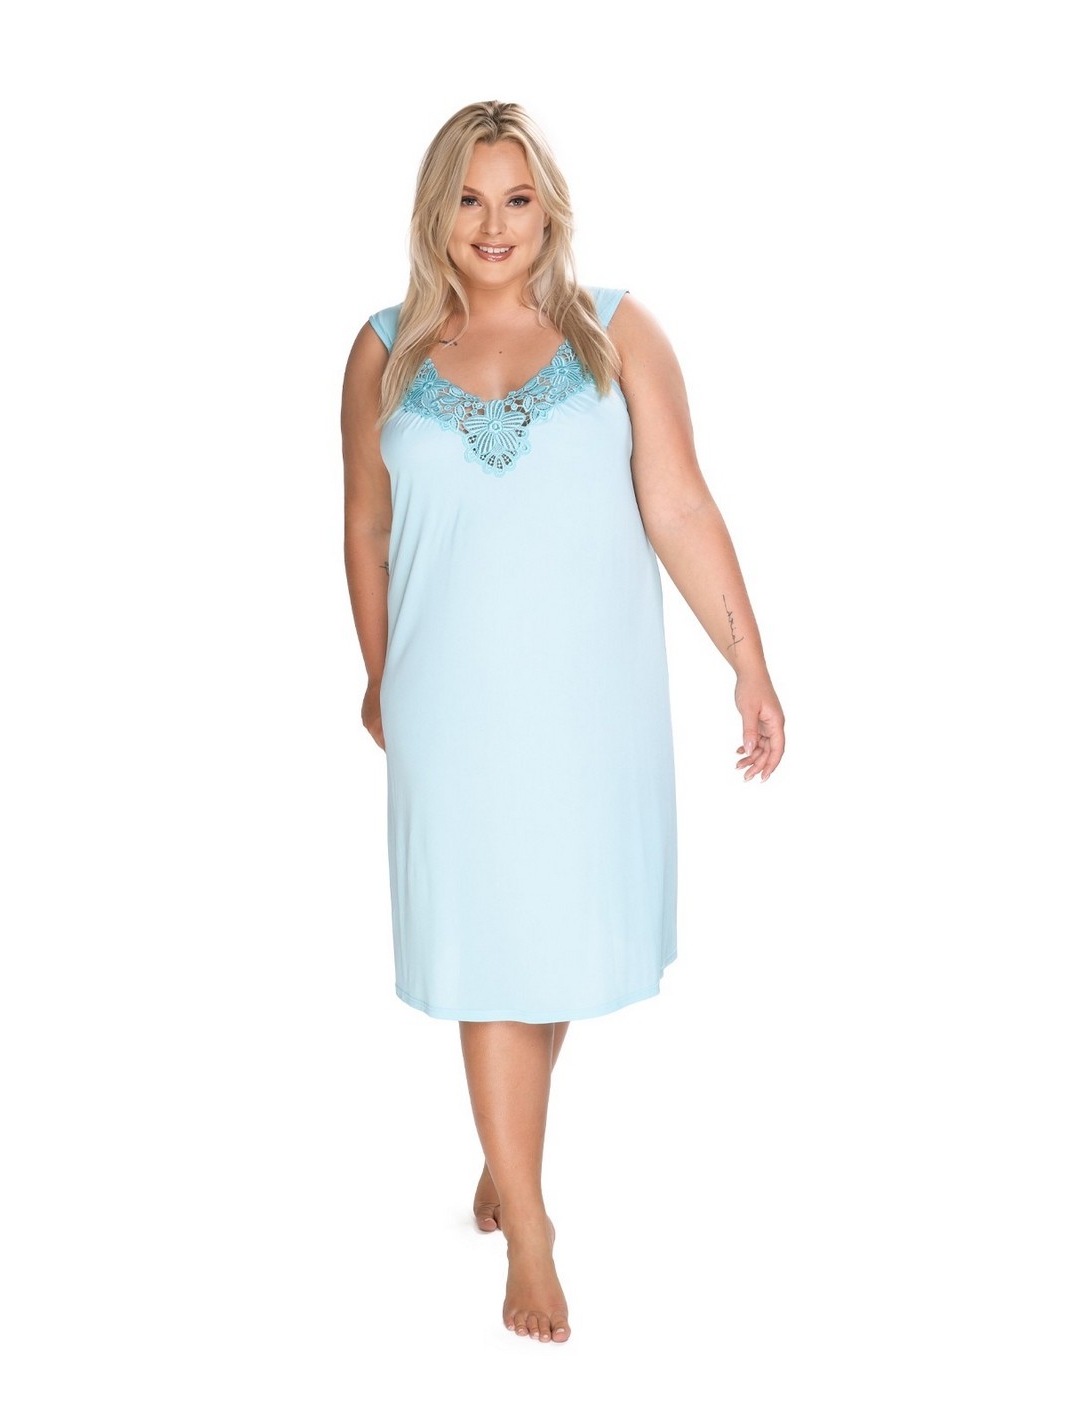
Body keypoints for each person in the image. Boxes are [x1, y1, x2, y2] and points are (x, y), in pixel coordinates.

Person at [341, 100, 785, 1344]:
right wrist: (377, 673)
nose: (493, 225)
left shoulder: (613, 332)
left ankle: (506, 1150)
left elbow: (679, 507)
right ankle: (530, 1230)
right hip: (449, 702)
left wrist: (748, 663)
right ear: (435, 210)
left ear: (548, 209)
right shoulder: (381, 352)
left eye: (517, 199)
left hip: (591, 703)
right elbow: (365, 526)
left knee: (554, 935)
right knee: (489, 944)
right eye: (469, 198)